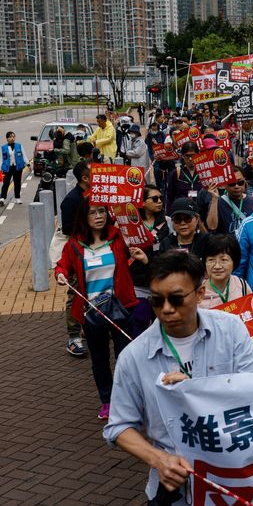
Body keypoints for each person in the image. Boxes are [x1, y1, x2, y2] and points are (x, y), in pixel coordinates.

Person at [103, 251, 253, 504]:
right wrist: (159, 459)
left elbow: (250, 396)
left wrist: (196, 392)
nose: (166, 309)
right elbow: (119, 426)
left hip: (234, 477)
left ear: (199, 293)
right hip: (175, 488)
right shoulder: (134, 356)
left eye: (176, 299)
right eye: (156, 300)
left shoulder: (231, 329)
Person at [55, 198, 138, 419]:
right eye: (93, 213)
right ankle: (107, 401)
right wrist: (60, 274)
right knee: (100, 360)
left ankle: (127, 400)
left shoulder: (119, 237)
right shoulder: (74, 244)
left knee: (125, 358)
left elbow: (143, 240)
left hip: (121, 308)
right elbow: (63, 264)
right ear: (85, 217)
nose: (98, 216)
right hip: (93, 312)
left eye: (102, 212)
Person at [199, 234, 253, 371]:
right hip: (213, 367)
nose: (217, 266)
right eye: (211, 260)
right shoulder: (198, 295)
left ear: (234, 262)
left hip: (244, 363)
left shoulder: (242, 285)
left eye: (223, 260)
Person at [127, 185, 172, 337]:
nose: (159, 201)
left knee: (161, 322)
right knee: (140, 318)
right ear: (142, 202)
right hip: (138, 282)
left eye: (161, 198)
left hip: (161, 281)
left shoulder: (168, 222)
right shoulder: (130, 224)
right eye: (154, 198)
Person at [59, 161, 92, 357]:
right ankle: (73, 337)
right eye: (92, 173)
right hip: (79, 253)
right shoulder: (71, 200)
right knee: (76, 292)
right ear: (84, 178)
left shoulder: (98, 195)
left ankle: (90, 327)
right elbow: (67, 229)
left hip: (98, 250)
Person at [203, 165, 253, 235]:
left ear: (245, 181)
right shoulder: (218, 202)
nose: (236, 186)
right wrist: (214, 199)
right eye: (232, 183)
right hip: (228, 245)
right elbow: (211, 227)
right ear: (225, 185)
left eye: (240, 182)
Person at [165, 141, 203, 213]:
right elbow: (170, 196)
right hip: (182, 212)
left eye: (193, 155)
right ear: (182, 156)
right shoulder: (176, 173)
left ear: (198, 154)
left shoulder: (204, 172)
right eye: (187, 156)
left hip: (201, 211)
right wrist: (169, 214)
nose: (190, 159)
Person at [1, 131, 27, 205]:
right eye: (10, 137)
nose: (12, 138)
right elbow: (1, 159)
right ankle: (2, 198)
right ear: (7, 138)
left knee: (17, 183)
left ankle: (17, 198)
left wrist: (27, 164)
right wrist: (1, 168)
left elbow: (24, 155)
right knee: (5, 183)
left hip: (17, 167)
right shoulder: (3, 147)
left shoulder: (19, 145)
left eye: (13, 136)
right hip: (7, 168)